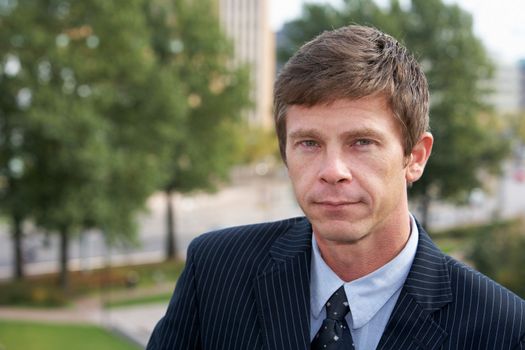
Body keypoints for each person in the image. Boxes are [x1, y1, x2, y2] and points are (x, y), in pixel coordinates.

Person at [147, 25, 525, 350]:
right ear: (285, 154)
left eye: (362, 142)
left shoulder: (501, 328)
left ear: (415, 157)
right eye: (308, 143)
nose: (332, 171)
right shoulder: (216, 270)